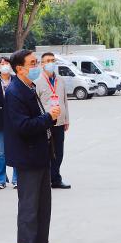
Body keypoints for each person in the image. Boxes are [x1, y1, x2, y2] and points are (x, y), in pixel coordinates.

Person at [5, 49, 63, 243]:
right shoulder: (15, 92)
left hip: (40, 153)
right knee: (29, 208)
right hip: (27, 156)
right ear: (20, 68)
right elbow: (23, 126)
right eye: (32, 63)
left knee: (43, 205)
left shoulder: (29, 87)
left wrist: (48, 118)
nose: (37, 66)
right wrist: (49, 118)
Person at [36, 53, 71, 189]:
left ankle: (56, 179)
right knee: (46, 152)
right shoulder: (37, 81)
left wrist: (66, 119)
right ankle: (45, 179)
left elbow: (64, 101)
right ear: (42, 64)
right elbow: (36, 104)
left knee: (59, 152)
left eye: (52, 60)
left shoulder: (60, 80)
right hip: (45, 122)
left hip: (60, 121)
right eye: (47, 61)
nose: (50, 63)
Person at [0, 58, 17, 190]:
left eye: (7, 63)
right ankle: (0, 180)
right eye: (2, 64)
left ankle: (17, 179)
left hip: (16, 123)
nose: (5, 66)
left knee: (17, 150)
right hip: (0, 123)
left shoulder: (16, 81)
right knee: (1, 153)